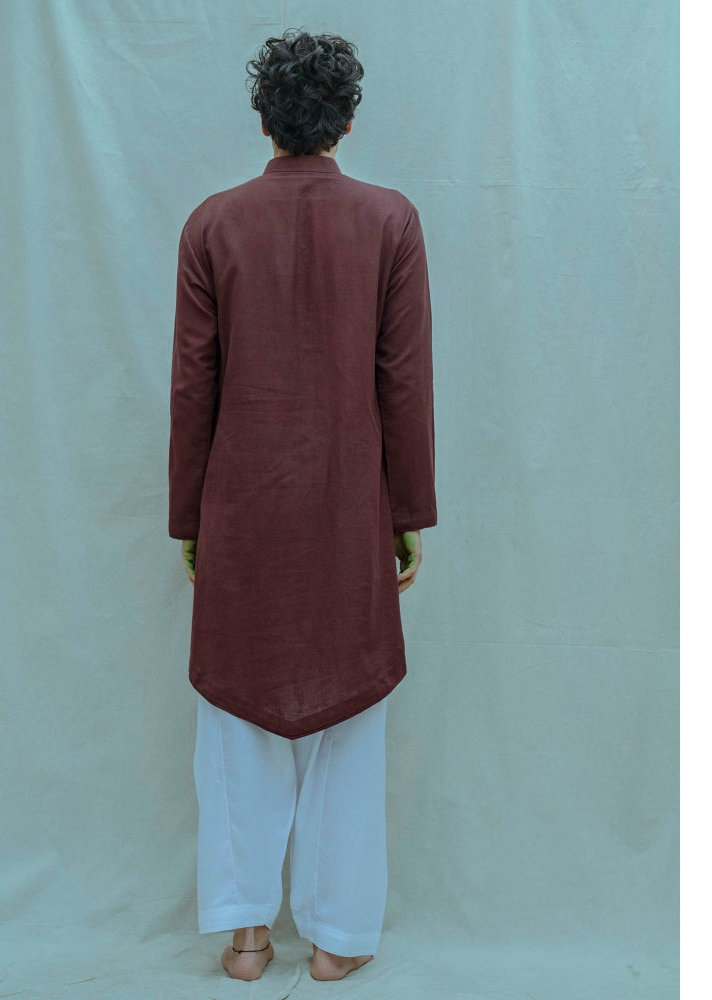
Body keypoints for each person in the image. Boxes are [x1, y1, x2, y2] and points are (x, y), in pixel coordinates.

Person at [168, 28, 437, 982]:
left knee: (236, 726)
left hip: (241, 507)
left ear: (263, 121)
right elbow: (403, 381)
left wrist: (191, 522)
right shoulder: (390, 220)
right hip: (348, 504)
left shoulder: (212, 224)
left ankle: (246, 935)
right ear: (347, 122)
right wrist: (406, 513)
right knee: (350, 726)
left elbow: (193, 388)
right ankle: (337, 939)